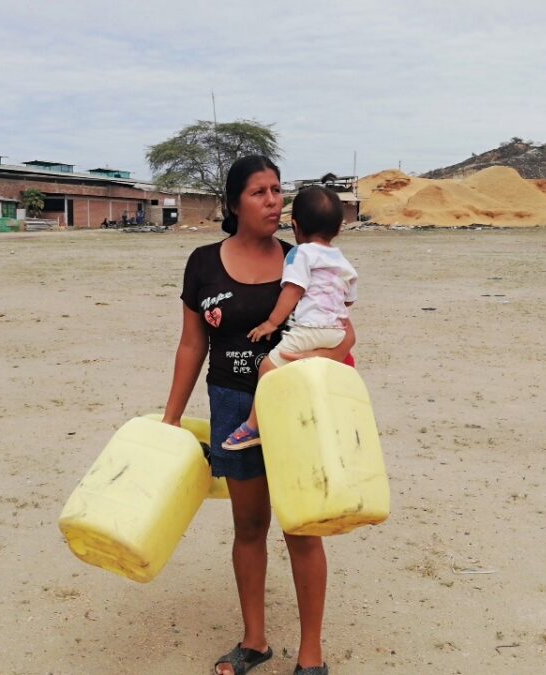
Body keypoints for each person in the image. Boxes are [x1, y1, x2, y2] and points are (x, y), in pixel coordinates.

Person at [162, 155, 352, 675]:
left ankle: (310, 656)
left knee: (302, 526)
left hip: (294, 411)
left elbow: (343, 336)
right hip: (230, 405)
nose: (273, 201)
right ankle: (255, 642)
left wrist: (313, 361)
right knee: (249, 526)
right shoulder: (202, 263)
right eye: (259, 192)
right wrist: (170, 420)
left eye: (277, 191)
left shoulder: (304, 260)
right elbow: (190, 344)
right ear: (233, 202)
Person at [221, 185, 357, 451]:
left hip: (310, 329)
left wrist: (272, 323)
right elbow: (348, 299)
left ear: (295, 226)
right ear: (339, 229)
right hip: (336, 331)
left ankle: (252, 427)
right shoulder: (342, 261)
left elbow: (293, 289)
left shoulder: (301, 253)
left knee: (268, 368)